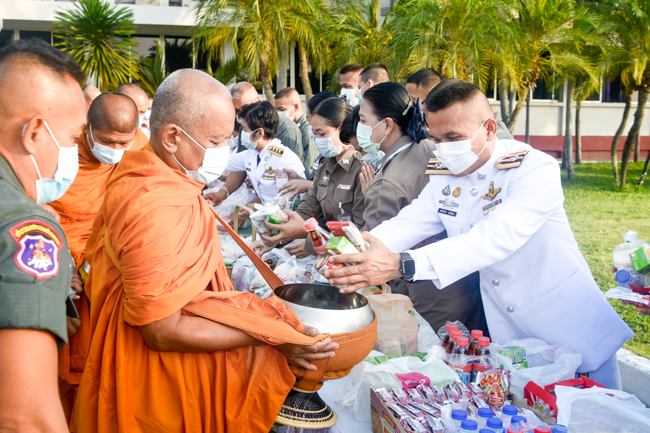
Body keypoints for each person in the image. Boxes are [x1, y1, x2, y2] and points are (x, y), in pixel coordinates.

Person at [73, 69, 337, 432]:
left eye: (227, 139)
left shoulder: (163, 178)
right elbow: (161, 331)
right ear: (171, 137)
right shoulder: (153, 204)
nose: (223, 151)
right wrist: (270, 335)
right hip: (153, 379)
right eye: (215, 141)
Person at [324, 81, 634, 389]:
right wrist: (360, 247)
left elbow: (493, 238)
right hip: (509, 334)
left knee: (596, 409)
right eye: (436, 138)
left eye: (453, 137)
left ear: (489, 129)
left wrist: (402, 264)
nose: (443, 148)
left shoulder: (533, 168)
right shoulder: (446, 172)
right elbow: (412, 220)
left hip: (567, 323)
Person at [0, 39, 86, 432]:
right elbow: (24, 417)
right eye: (73, 138)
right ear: (34, 132)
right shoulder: (25, 226)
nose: (73, 153)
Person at [355, 81, 488, 332]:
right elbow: (415, 220)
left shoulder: (389, 182)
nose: (359, 127)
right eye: (438, 138)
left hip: (428, 301)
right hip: (465, 289)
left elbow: (381, 257)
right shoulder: (429, 151)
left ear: (387, 125)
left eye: (363, 120)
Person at [48, 93, 139, 424]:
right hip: (63, 258)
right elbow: (43, 212)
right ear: (87, 128)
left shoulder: (139, 149)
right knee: (67, 357)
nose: (115, 150)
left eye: (123, 143)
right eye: (107, 141)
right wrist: (63, 265)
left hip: (108, 258)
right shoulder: (59, 152)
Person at [261, 97, 366, 256]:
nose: (318, 140)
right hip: (326, 251)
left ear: (342, 129)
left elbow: (360, 231)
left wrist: (310, 239)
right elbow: (307, 208)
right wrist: (275, 236)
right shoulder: (325, 166)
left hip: (350, 254)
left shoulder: (361, 167)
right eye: (315, 134)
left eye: (322, 133)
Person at [205, 101, 306, 222]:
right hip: (266, 222)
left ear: (259, 133)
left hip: (287, 224)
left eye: (245, 129)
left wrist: (258, 208)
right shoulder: (251, 154)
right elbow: (219, 162)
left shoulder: (285, 159)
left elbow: (296, 203)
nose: (242, 134)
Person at [277, 91, 338, 201]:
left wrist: (308, 185)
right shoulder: (324, 157)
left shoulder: (347, 159)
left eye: (321, 133)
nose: (311, 128)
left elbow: (337, 192)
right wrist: (300, 179)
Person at [231, 82, 304, 165]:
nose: (241, 113)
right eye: (236, 110)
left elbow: (289, 166)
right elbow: (241, 163)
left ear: (259, 101)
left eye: (245, 107)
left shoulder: (287, 128)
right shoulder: (244, 125)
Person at [274, 87, 317, 179]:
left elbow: (308, 163)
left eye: (282, 109)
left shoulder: (307, 128)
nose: (278, 114)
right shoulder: (285, 127)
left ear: (296, 107)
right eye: (276, 110)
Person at [116, 83, 150, 150]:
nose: (141, 116)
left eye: (143, 112)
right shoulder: (100, 134)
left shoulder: (142, 139)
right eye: (139, 112)